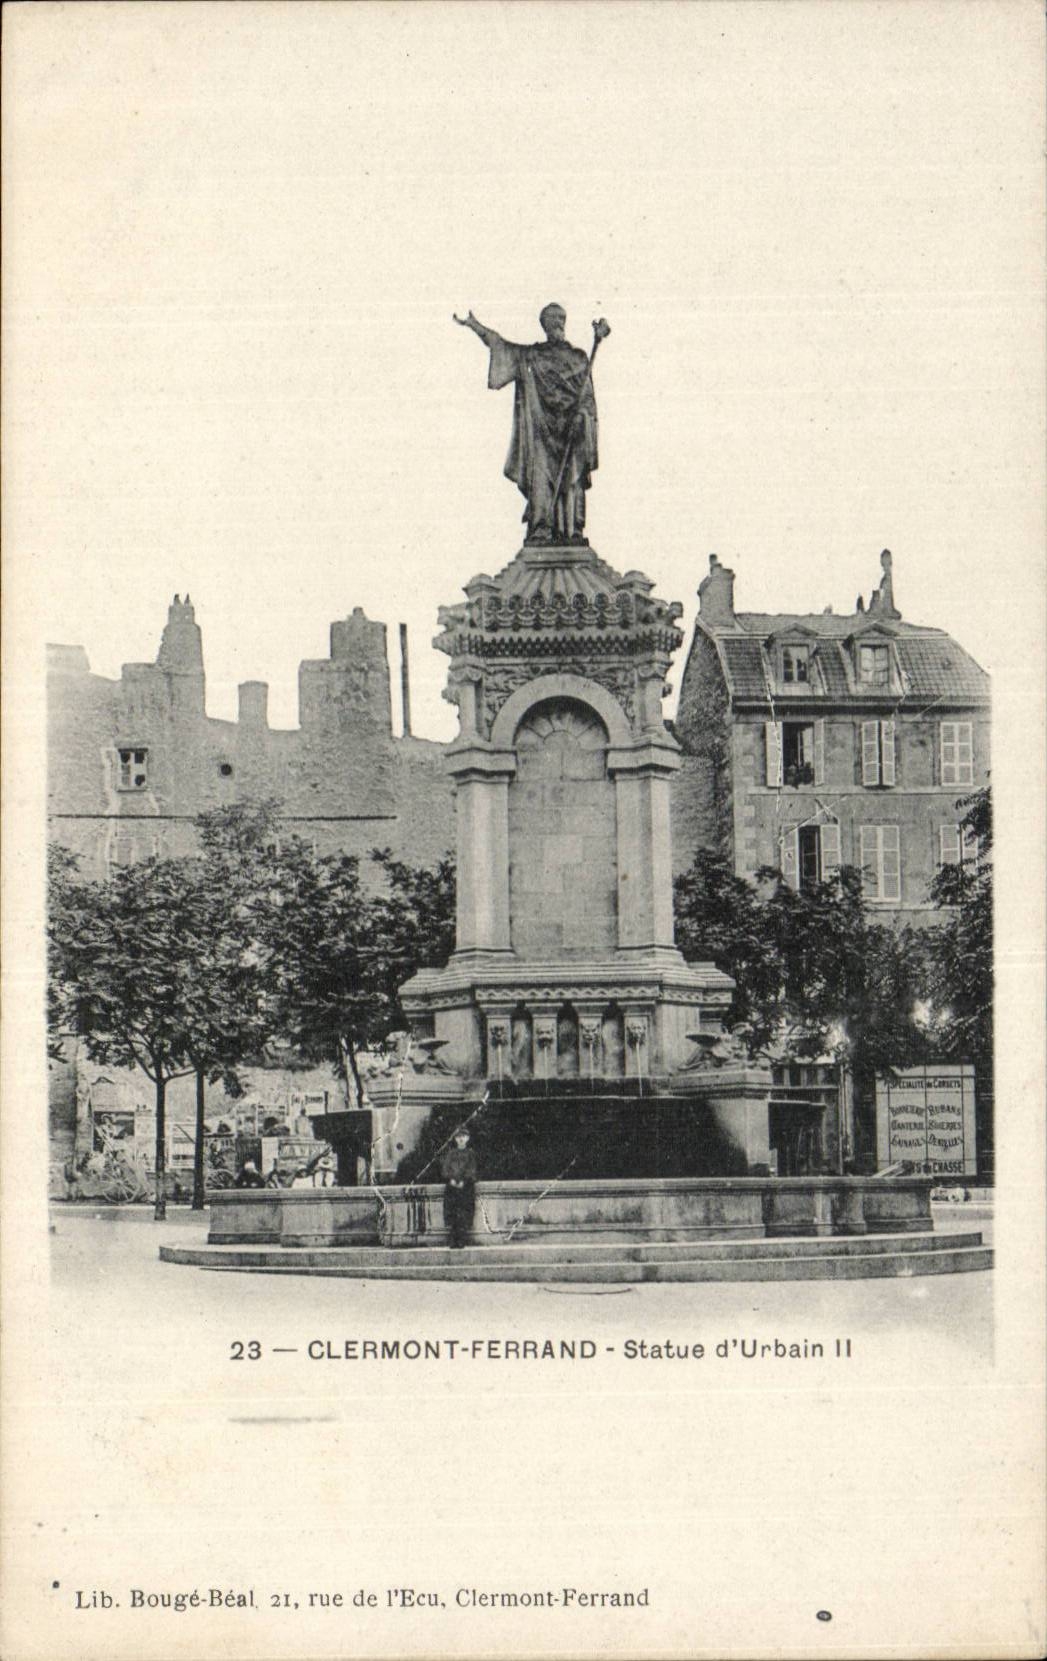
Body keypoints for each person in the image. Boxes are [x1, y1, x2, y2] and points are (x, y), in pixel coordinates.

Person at [454, 304, 607, 543]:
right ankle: (541, 528)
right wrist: (475, 326)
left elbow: (587, 398)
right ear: (545, 326)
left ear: (563, 324)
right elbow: (500, 346)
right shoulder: (533, 355)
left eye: (557, 322)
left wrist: (582, 417)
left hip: (571, 431)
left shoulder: (578, 359)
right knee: (541, 479)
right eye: (550, 322)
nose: (555, 327)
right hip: (541, 433)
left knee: (571, 479)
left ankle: (571, 531)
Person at [440, 1127, 478, 1249]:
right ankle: (453, 1240)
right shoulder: (451, 1153)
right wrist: (451, 1179)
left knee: (463, 1213)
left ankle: (461, 1240)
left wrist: (463, 1181)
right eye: (458, 1137)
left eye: (463, 1136)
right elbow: (445, 1168)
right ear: (455, 1139)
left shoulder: (470, 1153)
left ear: (468, 1138)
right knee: (453, 1213)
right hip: (452, 1187)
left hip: (465, 1187)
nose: (461, 1139)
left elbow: (472, 1169)